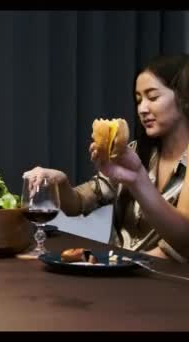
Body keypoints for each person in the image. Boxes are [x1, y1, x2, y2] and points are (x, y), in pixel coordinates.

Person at [23, 54, 189, 262]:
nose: (142, 109)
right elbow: (78, 204)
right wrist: (61, 182)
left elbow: (182, 243)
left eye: (153, 97)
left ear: (184, 98)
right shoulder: (134, 152)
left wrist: (111, 260)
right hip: (119, 274)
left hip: (166, 283)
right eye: (138, 100)